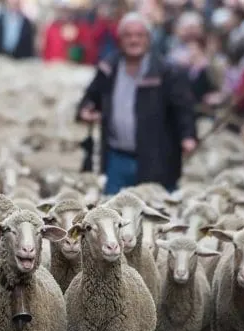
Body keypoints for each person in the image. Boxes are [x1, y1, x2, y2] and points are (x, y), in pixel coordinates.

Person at [76, 12, 196, 194]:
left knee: (155, 212)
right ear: (120, 39)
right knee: (114, 211)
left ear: (148, 39)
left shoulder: (166, 72)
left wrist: (188, 136)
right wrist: (85, 111)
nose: (134, 40)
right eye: (128, 35)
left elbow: (183, 109)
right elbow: (90, 97)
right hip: (117, 158)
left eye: (139, 35)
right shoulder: (109, 68)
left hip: (156, 159)